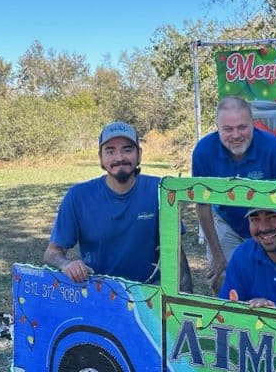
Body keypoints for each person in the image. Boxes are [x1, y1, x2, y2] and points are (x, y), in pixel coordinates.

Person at [45, 120, 191, 290]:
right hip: (99, 292)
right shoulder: (78, 196)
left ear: (139, 154)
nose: (119, 158)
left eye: (127, 150)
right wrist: (66, 264)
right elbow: (52, 253)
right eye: (110, 151)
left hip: (149, 292)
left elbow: (176, 251)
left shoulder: (160, 191)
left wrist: (184, 301)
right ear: (101, 157)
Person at [192, 96, 276, 292]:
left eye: (242, 127)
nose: (236, 135)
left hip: (266, 220)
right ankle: (226, 321)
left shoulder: (273, 149)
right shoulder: (203, 151)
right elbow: (202, 206)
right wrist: (217, 254)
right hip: (225, 220)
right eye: (228, 129)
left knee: (272, 280)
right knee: (222, 279)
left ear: (253, 123)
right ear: (217, 127)